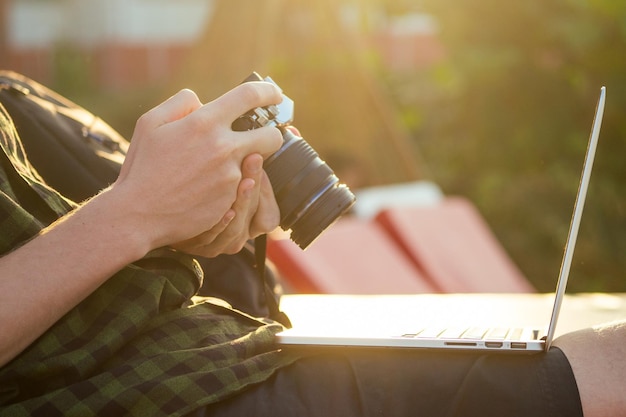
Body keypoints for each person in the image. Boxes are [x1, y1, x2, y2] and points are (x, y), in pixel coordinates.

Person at [0, 80, 624, 417]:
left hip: (217, 352)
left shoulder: (18, 98)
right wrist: (135, 211)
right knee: (605, 376)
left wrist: (184, 231)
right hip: (153, 391)